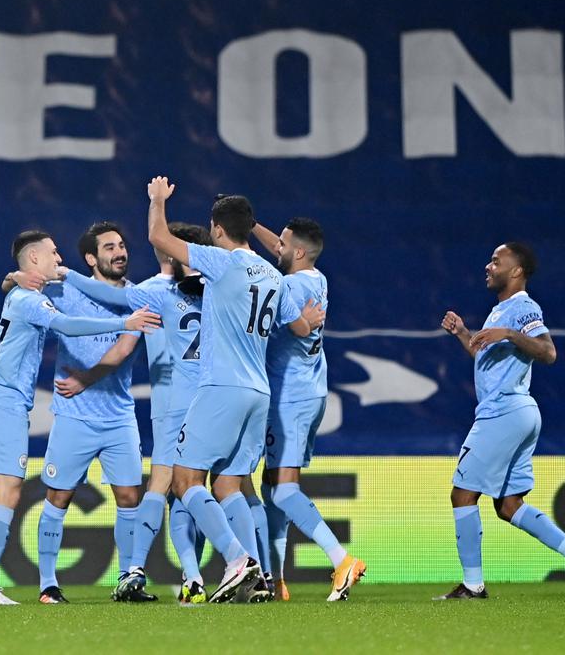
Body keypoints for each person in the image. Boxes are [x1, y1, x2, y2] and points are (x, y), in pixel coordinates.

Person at [145, 176, 322, 604]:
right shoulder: (274, 276)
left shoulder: (220, 262)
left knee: (185, 479)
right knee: (230, 484)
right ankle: (258, 576)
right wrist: (312, 321)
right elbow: (299, 326)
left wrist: (157, 200)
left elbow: (158, 236)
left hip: (221, 386)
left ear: (218, 230)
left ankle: (236, 558)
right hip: (259, 393)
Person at [0, 230, 161, 605]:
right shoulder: (35, 300)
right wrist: (124, 323)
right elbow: (67, 325)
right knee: (8, 492)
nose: (59, 258)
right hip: (7, 402)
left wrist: (14, 278)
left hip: (14, 403)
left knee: (7, 491)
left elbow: (14, 283)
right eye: (53, 253)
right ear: (36, 259)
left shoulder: (29, 293)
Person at [53, 222, 214, 603]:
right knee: (204, 489)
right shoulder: (217, 290)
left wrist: (67, 274)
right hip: (213, 400)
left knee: (162, 485)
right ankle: (210, 574)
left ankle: (138, 569)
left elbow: (114, 322)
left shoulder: (150, 293)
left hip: (170, 403)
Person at [436, 243, 565, 600]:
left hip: (503, 412)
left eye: (496, 261)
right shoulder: (499, 312)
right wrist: (464, 333)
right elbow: (485, 353)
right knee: (509, 505)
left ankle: (473, 586)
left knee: (462, 494)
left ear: (516, 271)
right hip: (519, 413)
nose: (488, 265)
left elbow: (549, 352)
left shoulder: (523, 307)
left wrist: (510, 333)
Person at [250, 216, 365, 602]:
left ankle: (341, 559)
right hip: (311, 389)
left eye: (282, 243)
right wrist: (250, 224)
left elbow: (296, 322)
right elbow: (280, 253)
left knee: (283, 491)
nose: (276, 246)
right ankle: (275, 579)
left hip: (290, 397)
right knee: (272, 487)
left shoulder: (289, 285)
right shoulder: (316, 277)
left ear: (297, 251)